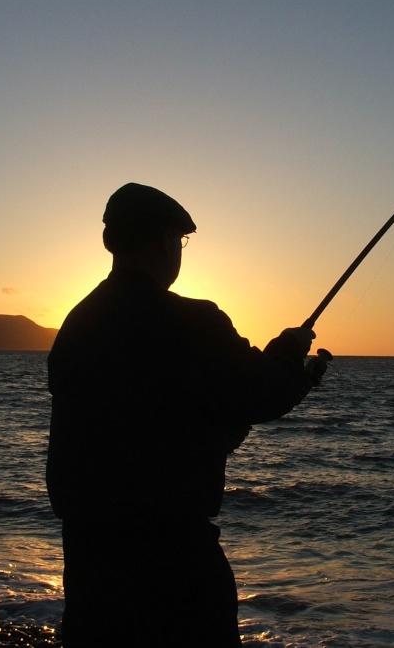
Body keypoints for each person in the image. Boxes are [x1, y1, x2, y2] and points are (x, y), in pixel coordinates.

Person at [46, 182, 326, 647]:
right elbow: (260, 393)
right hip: (173, 563)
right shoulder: (192, 321)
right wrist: (289, 358)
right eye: (179, 241)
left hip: (88, 564)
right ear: (161, 241)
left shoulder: (76, 325)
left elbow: (142, 420)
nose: (179, 252)